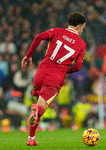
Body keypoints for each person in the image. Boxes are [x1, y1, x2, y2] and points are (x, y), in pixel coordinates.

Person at [21, 12, 86, 146]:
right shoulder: (81, 44)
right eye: (83, 28)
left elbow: (39, 37)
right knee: (40, 109)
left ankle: (31, 138)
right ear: (79, 26)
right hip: (55, 77)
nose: (83, 30)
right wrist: (64, 70)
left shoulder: (57, 31)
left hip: (41, 72)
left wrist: (28, 55)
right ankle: (36, 111)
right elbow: (78, 67)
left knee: (37, 106)